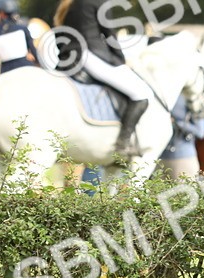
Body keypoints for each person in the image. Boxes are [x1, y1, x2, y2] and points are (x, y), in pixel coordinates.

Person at [54, 0, 151, 159]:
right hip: (90, 54)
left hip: (70, 57)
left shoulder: (69, 4)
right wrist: (121, 60)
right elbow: (110, 35)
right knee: (141, 93)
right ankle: (123, 143)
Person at [0, 0, 37, 86]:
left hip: (5, 73)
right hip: (26, 69)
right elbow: (34, 51)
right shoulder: (22, 29)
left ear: (1, 13)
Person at [157, 95, 204, 180]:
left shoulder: (192, 97)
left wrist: (177, 122)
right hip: (158, 157)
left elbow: (200, 131)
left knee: (184, 192)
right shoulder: (159, 93)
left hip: (182, 158)